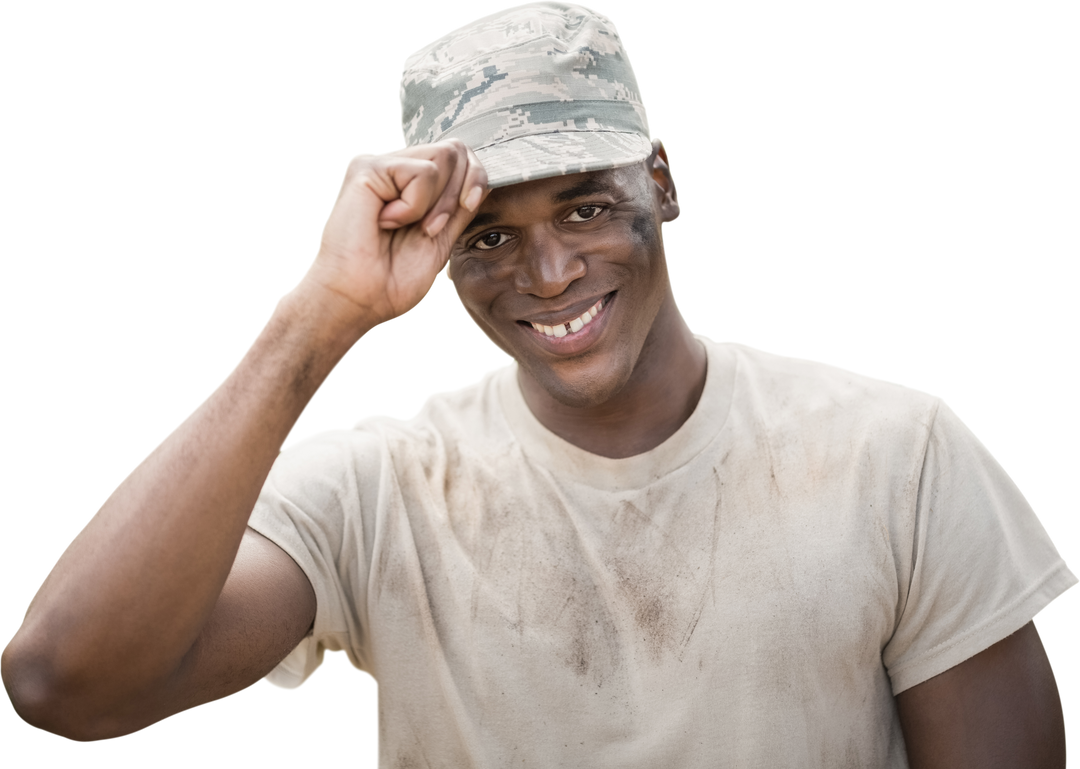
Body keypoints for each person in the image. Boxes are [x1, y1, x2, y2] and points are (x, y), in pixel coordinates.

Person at [2, 2, 1076, 765]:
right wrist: (320, 318)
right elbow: (66, 685)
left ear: (660, 180)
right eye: (487, 236)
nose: (549, 273)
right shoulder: (383, 489)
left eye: (586, 206)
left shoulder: (898, 453)